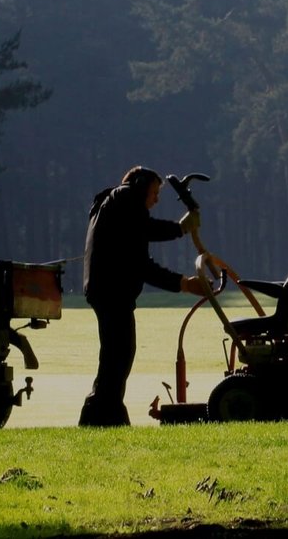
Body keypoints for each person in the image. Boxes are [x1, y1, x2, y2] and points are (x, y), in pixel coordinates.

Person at [79, 165, 206, 427]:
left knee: (118, 355)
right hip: (111, 291)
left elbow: (140, 261)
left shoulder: (118, 208)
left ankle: (104, 417)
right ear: (139, 186)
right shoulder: (125, 199)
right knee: (118, 355)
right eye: (155, 193)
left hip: (108, 290)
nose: (157, 200)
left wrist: (183, 283)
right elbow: (143, 248)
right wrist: (180, 230)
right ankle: (100, 417)